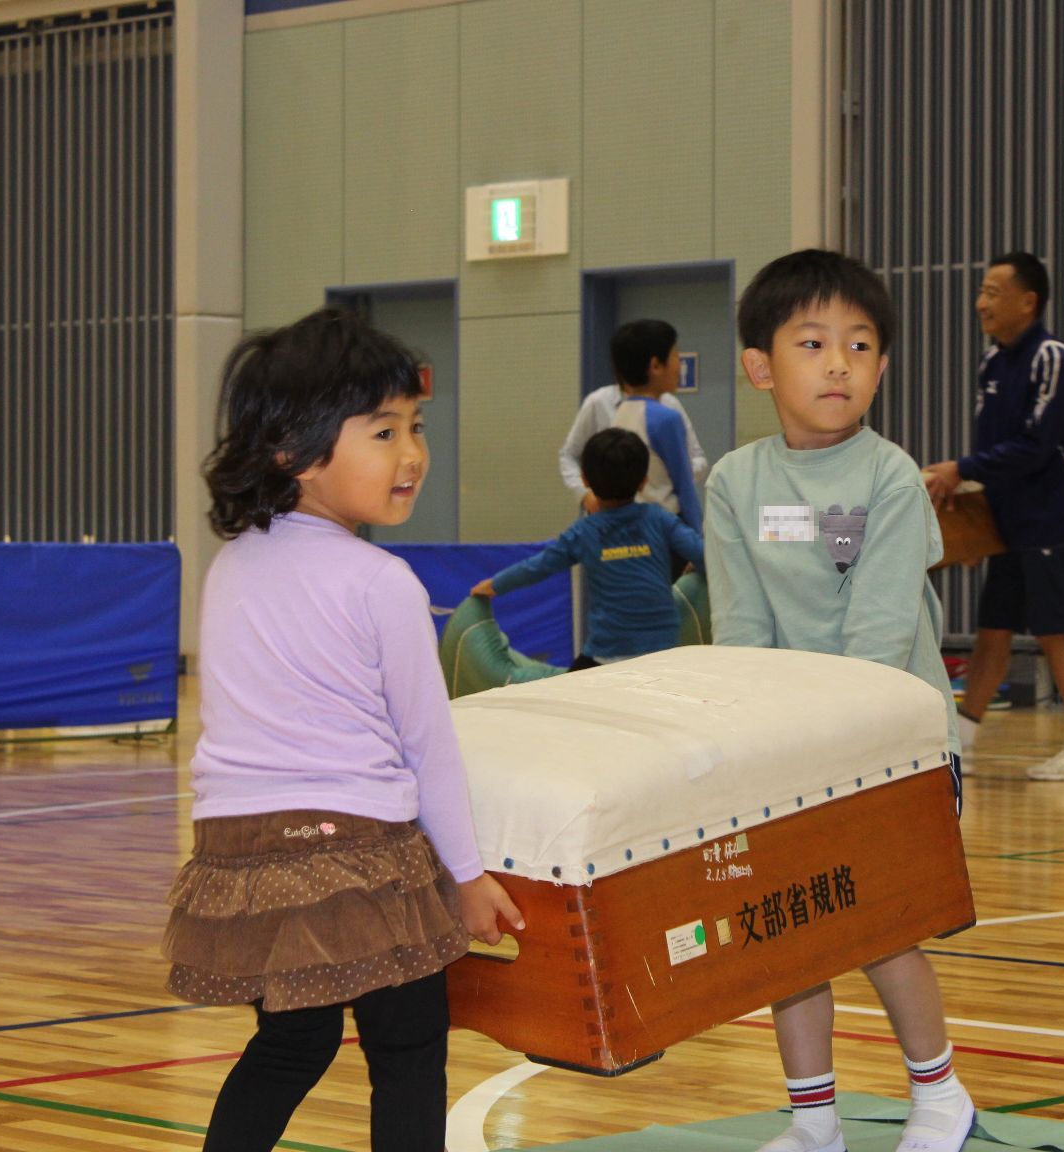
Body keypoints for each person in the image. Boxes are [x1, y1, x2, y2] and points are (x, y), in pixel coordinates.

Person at [161, 307, 523, 1152]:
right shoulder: (382, 581)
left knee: (290, 1043)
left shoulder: (231, 565)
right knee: (407, 1048)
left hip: (241, 850)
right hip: (356, 846)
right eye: (383, 431)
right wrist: (467, 876)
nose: (412, 455)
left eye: (416, 427)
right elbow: (427, 743)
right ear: (294, 449)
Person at [705, 250, 973, 1152]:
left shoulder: (888, 477)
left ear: (882, 368)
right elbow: (740, 625)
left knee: (877, 929)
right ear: (758, 366)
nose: (838, 364)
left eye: (860, 346)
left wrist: (837, 751)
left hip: (890, 745)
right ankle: (813, 1120)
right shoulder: (735, 484)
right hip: (789, 752)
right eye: (812, 343)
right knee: (792, 940)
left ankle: (939, 1095)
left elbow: (882, 627)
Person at [923, 252, 1064, 782]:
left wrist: (958, 470)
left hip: (1056, 518)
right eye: (981, 292)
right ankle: (962, 740)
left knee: (1057, 632)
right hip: (1008, 523)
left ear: (1028, 302)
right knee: (994, 628)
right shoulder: (992, 362)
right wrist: (973, 525)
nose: (981, 303)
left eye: (992, 292)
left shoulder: (1052, 358)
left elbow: (1036, 447)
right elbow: (994, 452)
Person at [473, 427, 703, 671]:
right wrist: (695, 568)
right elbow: (703, 554)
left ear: (584, 480)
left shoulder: (584, 533)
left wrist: (495, 585)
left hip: (608, 654)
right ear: (644, 482)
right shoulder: (660, 520)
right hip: (663, 652)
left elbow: (537, 567)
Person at [559, 319, 705, 531]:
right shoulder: (664, 417)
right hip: (663, 530)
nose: (679, 363)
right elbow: (685, 489)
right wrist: (699, 542)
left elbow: (694, 460)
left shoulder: (624, 411)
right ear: (656, 365)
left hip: (621, 530)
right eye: (675, 354)